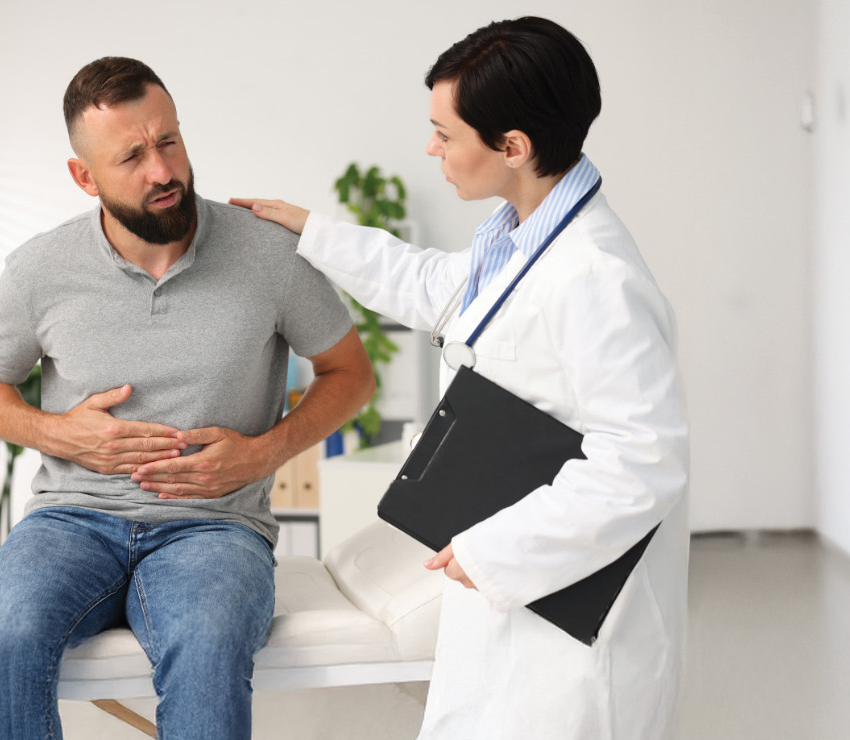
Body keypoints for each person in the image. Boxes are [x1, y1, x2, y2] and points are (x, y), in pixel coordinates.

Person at [231, 17, 690, 740]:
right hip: (504, 577)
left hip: (560, 603)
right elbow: (437, 286)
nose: (431, 147)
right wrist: (314, 233)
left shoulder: (596, 276)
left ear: (513, 147)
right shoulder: (520, 237)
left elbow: (644, 461)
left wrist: (494, 551)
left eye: (445, 134)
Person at [0, 56, 374, 740]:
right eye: (132, 156)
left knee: (208, 650)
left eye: (168, 141)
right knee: (6, 639)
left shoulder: (270, 254)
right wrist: (60, 434)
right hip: (72, 519)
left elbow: (350, 374)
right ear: (84, 177)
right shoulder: (40, 269)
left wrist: (262, 454)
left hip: (216, 527)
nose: (162, 171)